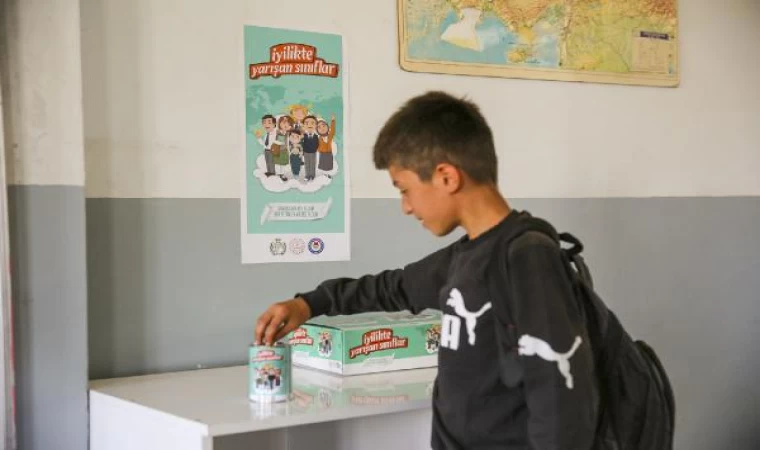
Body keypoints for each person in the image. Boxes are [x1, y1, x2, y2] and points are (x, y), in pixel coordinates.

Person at [255, 91, 598, 449]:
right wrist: (309, 304)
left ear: (446, 177)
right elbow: (393, 287)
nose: (405, 207)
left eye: (405, 190)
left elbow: (561, 403)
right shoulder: (464, 257)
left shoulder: (528, 257)